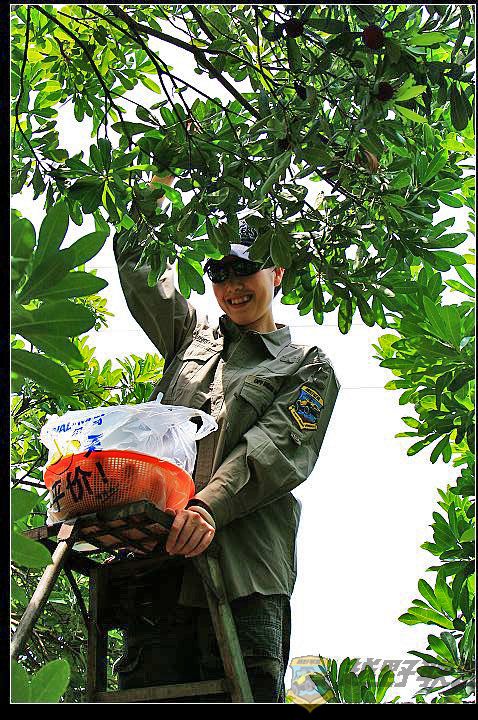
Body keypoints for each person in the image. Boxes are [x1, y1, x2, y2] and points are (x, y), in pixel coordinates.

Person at [112, 174, 341, 702]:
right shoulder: (188, 336)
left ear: (276, 273)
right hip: (159, 565)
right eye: (219, 272)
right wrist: (157, 184)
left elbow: (274, 450)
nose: (233, 285)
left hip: (245, 574)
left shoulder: (307, 366)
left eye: (245, 269)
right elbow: (141, 268)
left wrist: (207, 507)